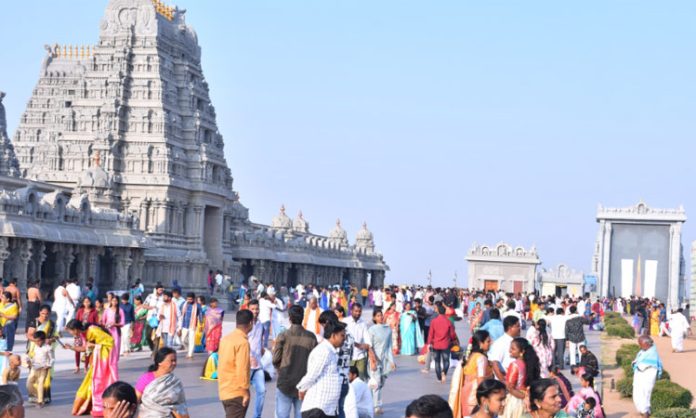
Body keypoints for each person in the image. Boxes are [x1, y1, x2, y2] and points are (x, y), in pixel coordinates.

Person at [65, 319, 119, 416]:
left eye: (71, 331)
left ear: (76, 329)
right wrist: (71, 347)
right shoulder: (84, 334)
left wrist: (94, 346)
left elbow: (110, 342)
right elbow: (85, 348)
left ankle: (100, 407)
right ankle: (88, 406)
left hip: (103, 361)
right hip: (95, 362)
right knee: (90, 384)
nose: (72, 334)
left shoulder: (93, 330)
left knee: (99, 383)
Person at [273, 305, 318, 418]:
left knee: (282, 415)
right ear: (302, 318)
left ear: (289, 318)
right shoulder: (311, 337)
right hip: (304, 384)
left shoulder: (283, 335)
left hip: (285, 382)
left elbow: (275, 359)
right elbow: (315, 362)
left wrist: (280, 369)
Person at [297, 320, 346, 418]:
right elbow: (312, 375)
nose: (344, 338)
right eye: (342, 335)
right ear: (333, 335)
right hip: (317, 409)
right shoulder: (324, 351)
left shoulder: (331, 351)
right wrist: (301, 388)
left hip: (327, 409)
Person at [448, 330, 493, 418]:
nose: (490, 343)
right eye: (488, 341)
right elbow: (481, 381)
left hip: (465, 395)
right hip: (475, 397)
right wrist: (484, 399)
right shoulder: (481, 358)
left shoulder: (470, 356)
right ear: (481, 343)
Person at [218, 309, 253, 418]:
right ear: (251, 323)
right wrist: (245, 391)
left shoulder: (225, 339)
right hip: (236, 392)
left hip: (224, 390)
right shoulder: (242, 343)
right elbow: (242, 369)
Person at [138, 348, 190, 418]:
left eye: (175, 360)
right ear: (160, 362)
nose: (174, 363)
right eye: (171, 361)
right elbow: (137, 398)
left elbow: (180, 405)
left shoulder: (175, 382)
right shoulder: (147, 378)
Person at [26, 305, 57, 403]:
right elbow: (29, 335)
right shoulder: (34, 322)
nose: (45, 316)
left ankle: (45, 397)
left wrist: (50, 339)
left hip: (46, 351)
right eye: (43, 313)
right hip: (35, 350)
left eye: (47, 314)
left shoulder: (51, 324)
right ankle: (34, 396)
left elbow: (55, 336)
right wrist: (39, 340)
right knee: (34, 375)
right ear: (39, 312)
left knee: (47, 374)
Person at [503, 338, 540, 418]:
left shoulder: (514, 365)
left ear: (522, 352)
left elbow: (510, 388)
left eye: (513, 349)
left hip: (515, 400)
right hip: (527, 398)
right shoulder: (529, 363)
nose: (510, 351)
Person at [368, 309, 396, 416]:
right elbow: (369, 346)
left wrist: (392, 361)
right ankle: (376, 406)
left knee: (381, 383)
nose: (380, 317)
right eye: (378, 316)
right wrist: (373, 360)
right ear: (374, 318)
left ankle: (373, 403)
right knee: (376, 383)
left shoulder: (387, 329)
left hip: (384, 360)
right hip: (374, 360)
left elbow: (389, 347)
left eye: (381, 315)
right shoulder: (371, 330)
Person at [631, 336, 662, 418]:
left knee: (645, 394)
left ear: (646, 344)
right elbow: (638, 361)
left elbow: (649, 367)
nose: (639, 346)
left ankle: (645, 413)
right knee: (636, 394)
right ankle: (643, 410)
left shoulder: (652, 354)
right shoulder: (643, 351)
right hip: (639, 376)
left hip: (647, 377)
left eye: (640, 344)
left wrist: (638, 365)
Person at [427, 305, 458, 384]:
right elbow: (452, 334)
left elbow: (430, 334)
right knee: (446, 360)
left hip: (436, 344)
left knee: (437, 361)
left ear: (438, 311)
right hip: (446, 344)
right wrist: (454, 339)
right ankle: (444, 371)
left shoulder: (434, 321)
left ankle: (439, 378)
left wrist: (429, 343)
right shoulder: (448, 322)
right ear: (445, 312)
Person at [343, 303, 374, 380]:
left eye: (359, 311)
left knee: (360, 380)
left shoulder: (363, 323)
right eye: (356, 311)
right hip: (348, 357)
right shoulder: (345, 322)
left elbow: (367, 341)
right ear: (351, 311)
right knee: (348, 380)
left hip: (360, 356)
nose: (358, 313)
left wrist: (361, 345)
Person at [488, 316, 521, 381]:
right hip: (506, 384)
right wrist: (504, 383)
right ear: (510, 328)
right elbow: (495, 364)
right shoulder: (501, 343)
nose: (520, 328)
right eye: (517, 326)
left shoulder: (515, 341)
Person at [25, 331, 53, 407]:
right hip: (34, 367)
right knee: (28, 383)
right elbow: (34, 357)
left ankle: (40, 401)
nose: (37, 342)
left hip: (43, 368)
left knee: (40, 383)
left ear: (43, 340)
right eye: (35, 341)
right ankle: (38, 395)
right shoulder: (35, 346)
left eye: (38, 341)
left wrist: (48, 365)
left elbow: (52, 359)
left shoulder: (48, 348)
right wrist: (29, 361)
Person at [178, 293, 203, 359]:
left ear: (194, 299)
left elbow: (200, 315)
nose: (189, 300)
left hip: (193, 325)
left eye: (191, 299)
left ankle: (190, 354)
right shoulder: (183, 304)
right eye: (188, 299)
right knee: (182, 339)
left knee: (191, 340)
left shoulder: (197, 306)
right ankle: (189, 348)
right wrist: (178, 325)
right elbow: (180, 314)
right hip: (184, 325)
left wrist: (201, 324)